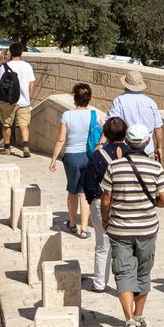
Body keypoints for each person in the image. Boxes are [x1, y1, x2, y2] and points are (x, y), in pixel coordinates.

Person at [100, 122, 164, 327]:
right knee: (143, 272)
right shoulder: (155, 168)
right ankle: (139, 316)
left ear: (128, 142)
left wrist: (105, 220)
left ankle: (129, 320)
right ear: (147, 143)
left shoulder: (115, 167)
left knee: (123, 274)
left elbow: (106, 200)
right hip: (147, 229)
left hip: (120, 229)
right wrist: (152, 203)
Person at [80, 115, 129, 292]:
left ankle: (99, 283)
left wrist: (92, 199)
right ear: (125, 133)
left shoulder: (98, 156)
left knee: (103, 245)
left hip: (102, 203)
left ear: (106, 134)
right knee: (127, 246)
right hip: (128, 203)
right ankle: (126, 285)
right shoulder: (132, 154)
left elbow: (88, 183)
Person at [58, 83, 103, 238]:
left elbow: (61, 139)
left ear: (74, 98)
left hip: (71, 156)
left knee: (72, 190)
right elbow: (103, 134)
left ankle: (72, 224)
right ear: (89, 98)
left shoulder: (67, 115)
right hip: (89, 156)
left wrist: (53, 158)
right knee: (84, 193)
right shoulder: (95, 115)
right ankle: (84, 229)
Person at [107, 73, 163, 160]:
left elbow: (111, 124)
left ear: (126, 85)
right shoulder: (151, 102)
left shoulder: (119, 101)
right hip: (147, 150)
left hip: (126, 150)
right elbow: (158, 129)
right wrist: (159, 147)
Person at [0, 44, 33, 157]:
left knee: (6, 124)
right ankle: (25, 146)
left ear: (10, 52)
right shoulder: (27, 66)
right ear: (21, 53)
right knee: (24, 125)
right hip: (24, 101)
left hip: (8, 101)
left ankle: (7, 148)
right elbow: (31, 84)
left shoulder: (3, 67)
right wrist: (29, 97)